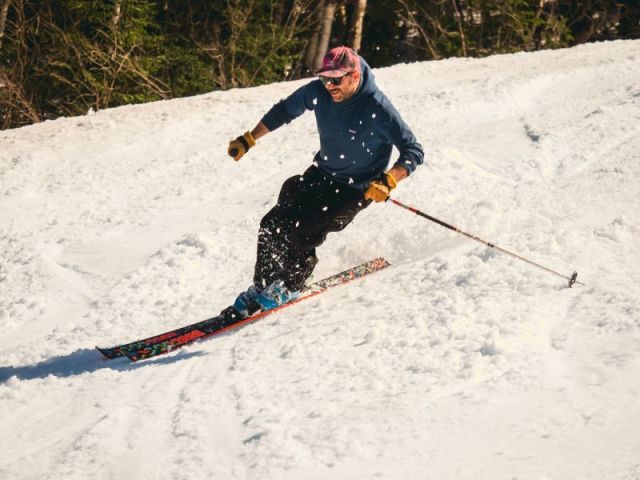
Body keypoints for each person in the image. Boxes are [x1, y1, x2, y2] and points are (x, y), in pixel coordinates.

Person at [227, 46, 424, 318]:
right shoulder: (318, 92)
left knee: (305, 230)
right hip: (322, 174)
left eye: (336, 79)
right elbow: (285, 110)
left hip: (357, 188)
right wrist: (249, 138)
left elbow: (413, 150)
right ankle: (262, 286)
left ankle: (289, 285)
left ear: (354, 76)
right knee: (272, 223)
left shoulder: (377, 107)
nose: (329, 85)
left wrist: (389, 179)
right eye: (324, 78)